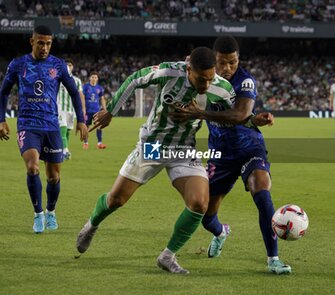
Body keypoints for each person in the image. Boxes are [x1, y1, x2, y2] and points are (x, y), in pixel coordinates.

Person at [75, 47, 272, 274]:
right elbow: (135, 79)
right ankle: (91, 225)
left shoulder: (222, 88)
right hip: (154, 145)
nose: (206, 85)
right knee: (117, 199)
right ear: (189, 69)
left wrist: (255, 120)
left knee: (199, 202)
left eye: (210, 79)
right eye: (201, 79)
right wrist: (111, 110)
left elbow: (237, 117)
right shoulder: (170, 71)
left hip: (183, 149)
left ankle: (167, 256)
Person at [173, 36, 290, 274]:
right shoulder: (202, 79)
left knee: (262, 192)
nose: (228, 68)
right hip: (220, 154)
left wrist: (202, 114)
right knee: (205, 215)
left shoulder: (245, 80)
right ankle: (221, 232)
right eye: (222, 63)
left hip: (250, 147)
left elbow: (239, 114)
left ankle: (273, 259)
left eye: (233, 62)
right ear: (213, 61)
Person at [0, 25, 88, 233]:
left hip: (51, 125)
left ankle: (51, 211)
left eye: (48, 43)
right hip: (28, 124)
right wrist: (1, 119)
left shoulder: (57, 65)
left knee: (54, 176)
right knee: (32, 167)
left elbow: (75, 93)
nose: (45, 47)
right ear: (32, 41)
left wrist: (82, 120)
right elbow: (3, 93)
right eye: (41, 43)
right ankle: (38, 214)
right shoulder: (18, 64)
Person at [57, 59, 86, 160]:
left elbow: (80, 95)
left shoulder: (77, 80)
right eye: (67, 65)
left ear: (72, 67)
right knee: (63, 129)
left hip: (71, 109)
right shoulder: (58, 79)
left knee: (68, 131)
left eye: (70, 65)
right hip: (60, 108)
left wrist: (83, 109)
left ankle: (64, 150)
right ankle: (65, 151)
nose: (69, 67)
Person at [82, 72, 107, 149]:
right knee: (86, 127)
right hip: (87, 111)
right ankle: (85, 143)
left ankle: (99, 143)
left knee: (99, 125)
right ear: (90, 78)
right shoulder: (85, 87)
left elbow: (102, 99)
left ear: (97, 79)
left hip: (96, 111)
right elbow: (82, 98)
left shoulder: (99, 88)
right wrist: (83, 109)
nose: (94, 79)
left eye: (95, 77)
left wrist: (104, 109)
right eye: (92, 77)